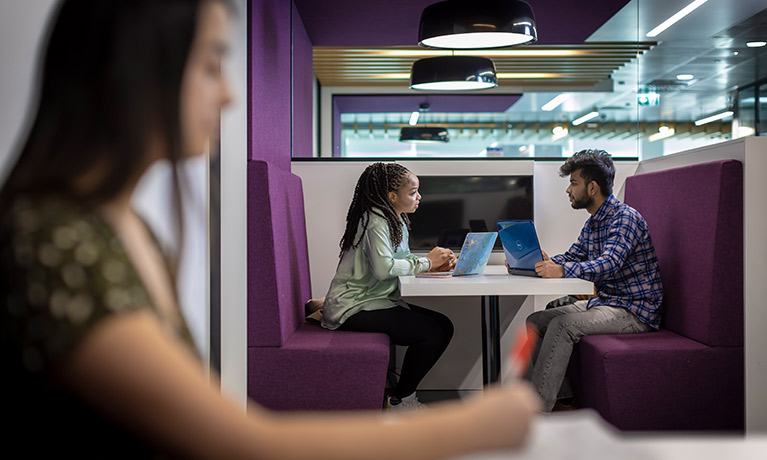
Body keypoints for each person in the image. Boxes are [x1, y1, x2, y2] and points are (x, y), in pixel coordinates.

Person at [0, 1, 539, 458]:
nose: (229, 95)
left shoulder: (124, 227)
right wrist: (470, 428)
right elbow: (240, 442)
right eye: (211, 65)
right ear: (135, 70)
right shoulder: (58, 244)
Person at [523, 149, 663, 412]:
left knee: (562, 325)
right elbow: (573, 255)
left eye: (573, 183)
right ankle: (564, 399)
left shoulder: (624, 219)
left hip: (634, 311)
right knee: (536, 321)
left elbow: (609, 264)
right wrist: (545, 262)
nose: (568, 190)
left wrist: (562, 270)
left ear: (593, 186)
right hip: (607, 303)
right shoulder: (594, 222)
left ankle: (537, 411)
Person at [321, 162, 457, 410]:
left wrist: (432, 264)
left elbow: (399, 260)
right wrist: (427, 263)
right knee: (433, 332)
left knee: (443, 325)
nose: (419, 197)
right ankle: (400, 400)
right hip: (354, 307)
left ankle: (400, 396)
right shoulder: (375, 221)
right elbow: (385, 269)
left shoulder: (396, 220)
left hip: (374, 301)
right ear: (392, 196)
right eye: (413, 192)